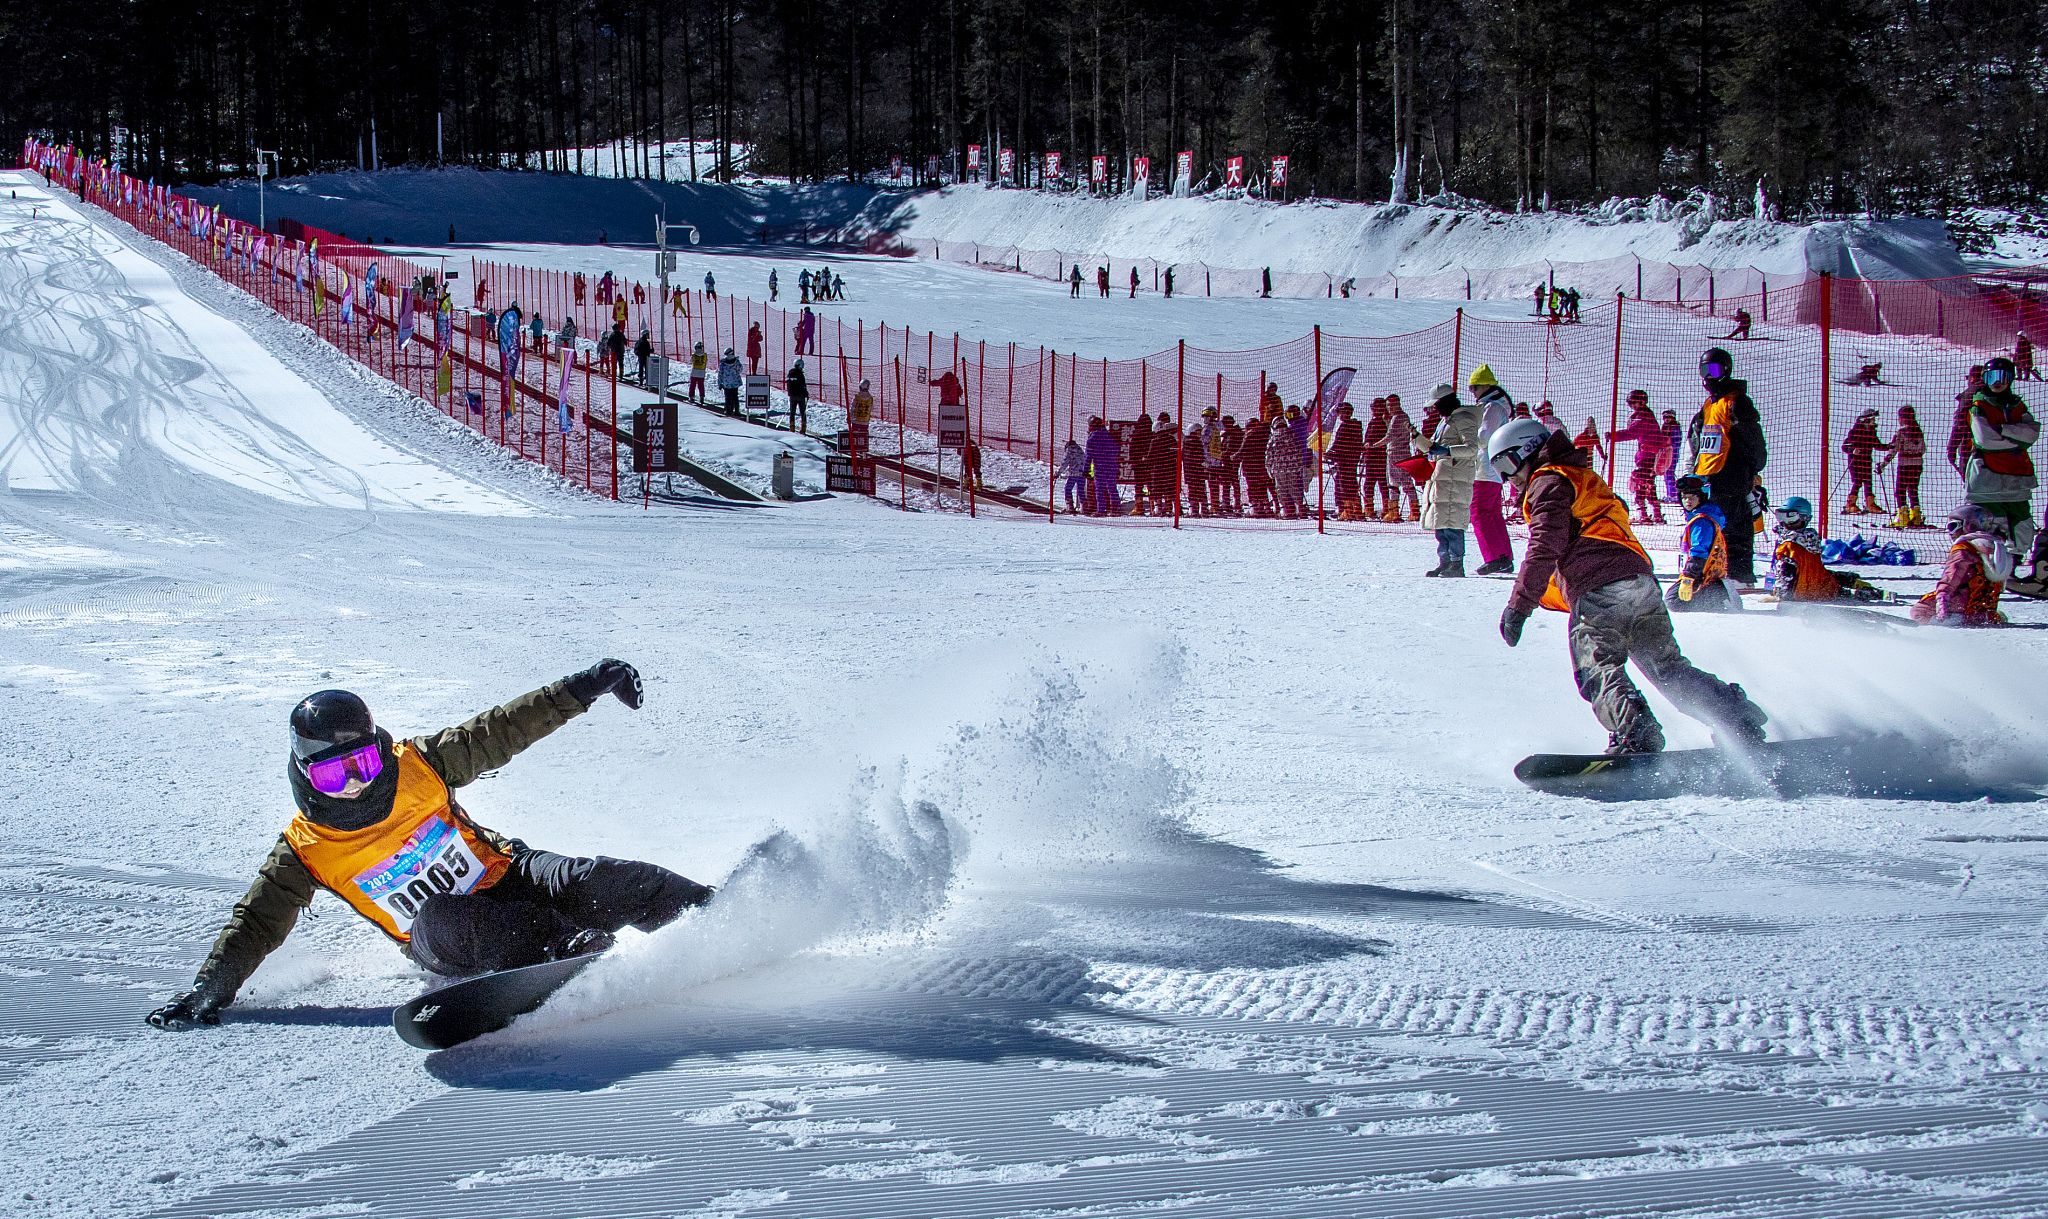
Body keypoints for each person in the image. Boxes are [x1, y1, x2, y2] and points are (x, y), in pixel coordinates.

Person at [144, 665, 715, 1029]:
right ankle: (567, 949)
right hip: (445, 939)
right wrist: (208, 992)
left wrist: (583, 686)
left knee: (592, 876)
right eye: (333, 777)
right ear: (304, 775)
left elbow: (500, 730)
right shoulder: (305, 851)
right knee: (442, 914)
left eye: (363, 764)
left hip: (510, 874)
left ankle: (717, 909)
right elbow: (256, 924)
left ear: (378, 748)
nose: (357, 785)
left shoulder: (418, 767)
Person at [1488, 419, 1770, 755]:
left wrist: (1519, 604)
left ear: (1528, 449)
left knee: (1597, 666)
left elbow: (1544, 546)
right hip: (1641, 584)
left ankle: (1636, 731)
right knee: (1666, 667)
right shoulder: (1584, 478)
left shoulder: (1547, 481)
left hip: (1601, 588)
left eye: (1506, 464)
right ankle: (1734, 716)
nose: (1507, 478)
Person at [1689, 346, 1769, 584]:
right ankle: (1713, 572)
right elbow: (1699, 440)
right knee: (1710, 526)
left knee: (1737, 526)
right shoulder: (1709, 405)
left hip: (1732, 475)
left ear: (1726, 371)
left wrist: (1753, 466)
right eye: (1705, 370)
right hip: (1708, 477)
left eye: (1714, 370)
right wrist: (1695, 471)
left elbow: (1752, 437)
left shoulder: (1736, 402)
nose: (1709, 376)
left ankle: (1740, 575)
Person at [1963, 355, 2041, 573]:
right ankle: (1988, 566)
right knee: (1991, 521)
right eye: (1992, 377)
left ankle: (2013, 563)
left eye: (2003, 377)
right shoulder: (1979, 405)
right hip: (1988, 476)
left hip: (2017, 476)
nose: (1998, 382)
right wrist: (2016, 441)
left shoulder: (2017, 405)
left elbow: (2032, 433)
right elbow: (1985, 439)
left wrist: (2003, 430)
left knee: (2021, 521)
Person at [1911, 504, 2013, 626]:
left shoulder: (1964, 548)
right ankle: (1981, 616)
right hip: (1983, 606)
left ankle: (1952, 620)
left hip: (1962, 603)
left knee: (1919, 611)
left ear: (1968, 526)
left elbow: (1951, 577)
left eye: (1953, 526)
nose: (1950, 533)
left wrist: (1942, 599)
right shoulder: (1998, 547)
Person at [1769, 496, 1881, 602]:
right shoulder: (1809, 539)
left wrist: (1780, 595)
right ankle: (1853, 584)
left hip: (1806, 593)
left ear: (1805, 518)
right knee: (1835, 577)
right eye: (1781, 517)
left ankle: (1855, 590)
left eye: (1791, 518)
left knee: (1835, 581)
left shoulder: (1788, 547)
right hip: (1820, 585)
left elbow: (1786, 575)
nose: (1785, 523)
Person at [1421, 383, 1480, 577]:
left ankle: (1456, 564)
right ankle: (1444, 561)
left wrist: (1447, 451)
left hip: (1457, 478)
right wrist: (1417, 439)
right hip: (1441, 477)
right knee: (1441, 522)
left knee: (1453, 521)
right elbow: (1434, 445)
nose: (1435, 409)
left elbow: (1472, 448)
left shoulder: (1464, 419)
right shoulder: (1445, 421)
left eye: (1436, 404)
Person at [1464, 367, 1517, 573]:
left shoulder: (1492, 407)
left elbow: (1484, 437)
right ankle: (1503, 556)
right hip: (1493, 468)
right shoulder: (1498, 406)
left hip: (1484, 468)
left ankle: (1494, 557)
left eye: (1474, 388)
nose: (1473, 392)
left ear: (1485, 386)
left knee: (1478, 512)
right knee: (1492, 514)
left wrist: (1466, 438)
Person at [1668, 475, 1737, 612]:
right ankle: (1715, 591)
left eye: (1692, 497)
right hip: (1706, 572)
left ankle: (1716, 596)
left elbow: (1699, 552)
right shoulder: (1701, 515)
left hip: (1701, 572)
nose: (1687, 501)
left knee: (1674, 602)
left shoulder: (1702, 521)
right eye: (1684, 497)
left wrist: (1688, 578)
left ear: (1701, 497)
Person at [1611, 390, 1670, 525]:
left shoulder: (1643, 417)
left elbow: (1632, 432)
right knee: (1647, 483)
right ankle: (1656, 514)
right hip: (1650, 455)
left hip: (1646, 456)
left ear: (1641, 402)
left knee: (1639, 483)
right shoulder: (1647, 415)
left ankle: (1644, 515)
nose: (1631, 406)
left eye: (1633, 402)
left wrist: (1613, 436)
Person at [1881, 405, 1928, 528]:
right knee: (1913, 489)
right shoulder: (1918, 431)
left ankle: (1903, 517)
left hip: (1904, 464)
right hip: (1917, 464)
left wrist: (1883, 464)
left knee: (1900, 491)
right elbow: (1923, 449)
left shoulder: (1901, 432)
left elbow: (1893, 449)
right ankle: (1916, 516)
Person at [1839, 407, 1888, 515]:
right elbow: (1845, 446)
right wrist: (1853, 450)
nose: (1874, 422)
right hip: (1856, 462)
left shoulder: (1871, 433)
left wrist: (1888, 446)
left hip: (1866, 461)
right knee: (1857, 482)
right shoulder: (1855, 432)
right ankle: (1850, 504)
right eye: (1872, 420)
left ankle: (1870, 504)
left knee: (1868, 482)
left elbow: (1877, 445)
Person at [1386, 396, 1422, 522]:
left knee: (1394, 482)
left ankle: (1394, 512)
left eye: (1392, 405)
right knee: (1406, 482)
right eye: (1388, 405)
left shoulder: (1397, 417)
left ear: (1398, 404)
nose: (1390, 408)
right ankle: (1415, 510)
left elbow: (1390, 436)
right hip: (1405, 452)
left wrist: (1373, 445)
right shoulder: (1404, 416)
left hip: (1395, 453)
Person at [1265, 410, 1305, 520]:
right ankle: (1299, 509)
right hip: (1293, 468)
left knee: (1281, 489)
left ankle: (1287, 511)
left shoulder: (1273, 438)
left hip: (1279, 469)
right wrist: (1299, 465)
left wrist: (1269, 468)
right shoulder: (1292, 435)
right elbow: (1298, 452)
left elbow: (1269, 455)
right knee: (1294, 488)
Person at [1329, 403, 1365, 520]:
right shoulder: (1357, 426)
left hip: (1344, 460)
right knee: (1352, 483)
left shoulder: (1345, 426)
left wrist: (1330, 453)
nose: (1341, 415)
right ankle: (1357, 510)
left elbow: (1338, 444)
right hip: (1353, 459)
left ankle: (1348, 511)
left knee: (1344, 485)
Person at [1362, 398, 1393, 521]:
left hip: (1380, 458)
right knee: (1369, 484)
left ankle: (1387, 508)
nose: (1374, 410)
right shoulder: (1373, 422)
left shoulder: (1384, 422)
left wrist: (1371, 445)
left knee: (1383, 484)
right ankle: (1369, 509)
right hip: (1370, 458)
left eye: (1376, 407)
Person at [1084, 416, 1121, 515]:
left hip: (1100, 466)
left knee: (1099, 488)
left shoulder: (1092, 438)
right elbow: (1117, 450)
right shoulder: (1110, 436)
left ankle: (1101, 509)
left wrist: (1085, 469)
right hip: (1112, 465)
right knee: (1112, 487)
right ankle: (1115, 508)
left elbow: (1088, 456)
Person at [1660, 409, 1685, 502]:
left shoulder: (1674, 427)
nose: (1667, 419)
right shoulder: (1665, 427)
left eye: (1669, 417)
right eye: (1665, 417)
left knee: (1669, 473)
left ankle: (1673, 495)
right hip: (1665, 453)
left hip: (1672, 453)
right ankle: (1670, 494)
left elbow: (1676, 441)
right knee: (1666, 473)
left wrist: (1669, 446)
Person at [1059, 439, 1087, 513]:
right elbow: (1085, 460)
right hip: (1082, 473)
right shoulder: (1080, 450)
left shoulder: (1069, 451)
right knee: (1081, 490)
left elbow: (1064, 463)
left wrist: (1058, 473)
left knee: (1068, 489)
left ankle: (1070, 506)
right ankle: (1083, 507)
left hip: (1073, 473)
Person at [717, 346, 743, 415]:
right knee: (735, 397)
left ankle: (728, 410)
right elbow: (740, 370)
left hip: (726, 383)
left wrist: (719, 382)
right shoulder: (736, 361)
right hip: (735, 383)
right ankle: (736, 411)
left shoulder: (723, 363)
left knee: (727, 397)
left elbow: (720, 373)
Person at [786, 357, 809, 433]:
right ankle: (803, 428)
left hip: (792, 395)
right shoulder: (800, 374)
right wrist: (806, 394)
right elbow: (803, 385)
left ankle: (792, 427)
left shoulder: (790, 373)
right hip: (800, 396)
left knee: (792, 412)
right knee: (803, 412)